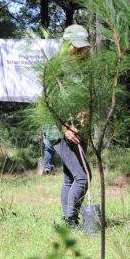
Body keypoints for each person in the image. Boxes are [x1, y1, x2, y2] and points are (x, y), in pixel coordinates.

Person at [43, 24, 92, 228]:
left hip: (78, 129)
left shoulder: (82, 66)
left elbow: (83, 96)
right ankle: (71, 221)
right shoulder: (55, 67)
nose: (82, 51)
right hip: (58, 130)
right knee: (83, 177)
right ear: (66, 44)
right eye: (77, 47)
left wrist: (85, 112)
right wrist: (65, 127)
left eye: (84, 47)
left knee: (70, 177)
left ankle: (67, 222)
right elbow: (50, 103)